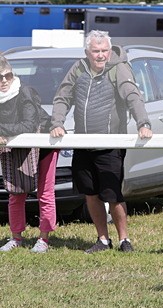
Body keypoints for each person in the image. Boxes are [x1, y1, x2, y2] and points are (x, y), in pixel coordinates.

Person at [49, 30, 152, 253]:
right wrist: (57, 122)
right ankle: (103, 240)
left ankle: (124, 240)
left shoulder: (118, 68)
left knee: (113, 195)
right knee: (91, 193)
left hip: (109, 146)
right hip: (83, 145)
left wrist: (143, 123)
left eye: (104, 50)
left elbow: (132, 96)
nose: (101, 55)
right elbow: (62, 97)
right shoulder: (78, 68)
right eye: (96, 51)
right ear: (87, 52)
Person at [0, 55, 58, 253]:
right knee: (15, 193)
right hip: (16, 148)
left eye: (8, 75)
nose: (4, 81)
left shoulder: (25, 92)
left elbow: (29, 125)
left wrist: (2, 131)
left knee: (45, 193)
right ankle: (16, 237)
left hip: (44, 144)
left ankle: (44, 239)